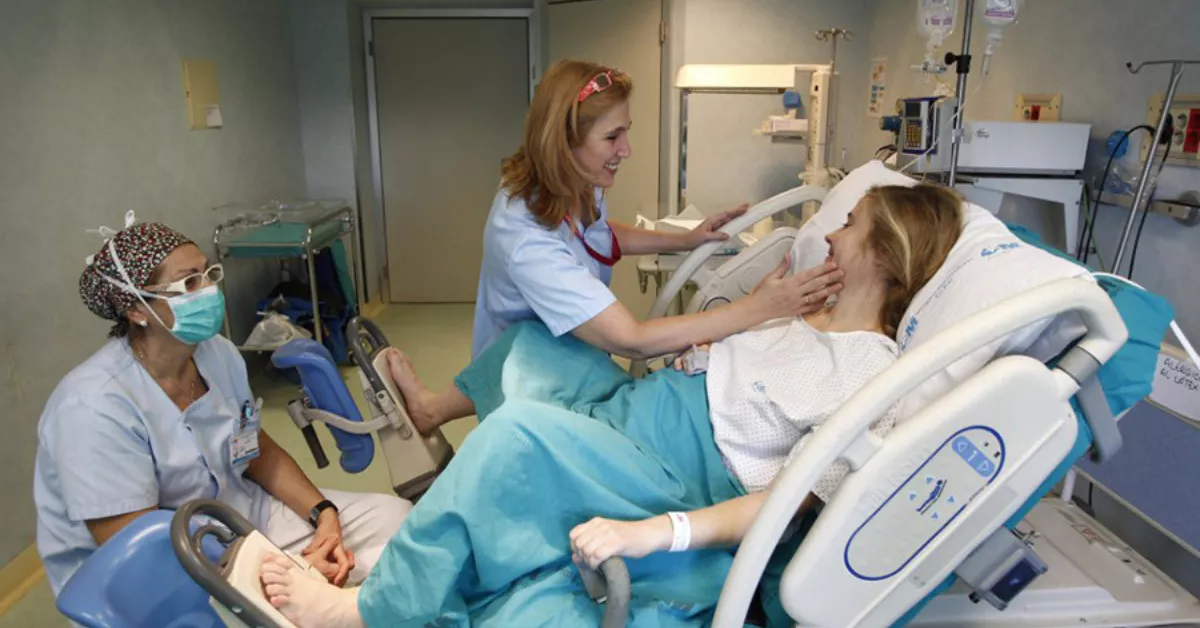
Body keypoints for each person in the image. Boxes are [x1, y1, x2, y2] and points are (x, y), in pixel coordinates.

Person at [258, 183, 965, 627]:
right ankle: (433, 413)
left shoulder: (873, 372)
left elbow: (790, 502)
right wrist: (755, 312)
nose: (832, 232)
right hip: (642, 406)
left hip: (674, 467)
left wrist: (665, 532)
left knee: (514, 438)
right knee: (539, 345)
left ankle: (372, 612)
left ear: (883, 253)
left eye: (851, 223)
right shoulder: (799, 316)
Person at [33, 219, 411, 596]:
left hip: (240, 518)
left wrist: (323, 514)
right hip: (161, 572)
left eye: (209, 273)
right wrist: (278, 570)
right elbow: (137, 548)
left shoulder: (218, 354)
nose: (211, 290)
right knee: (302, 602)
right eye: (189, 283)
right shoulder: (92, 408)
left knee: (397, 523)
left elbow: (255, 449)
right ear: (136, 309)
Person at [471, 59, 842, 363]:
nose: (627, 150)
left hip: (566, 357)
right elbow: (631, 339)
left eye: (626, 132)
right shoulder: (525, 236)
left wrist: (686, 240)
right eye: (612, 137)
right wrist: (758, 308)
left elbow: (597, 235)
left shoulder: (574, 180)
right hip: (523, 375)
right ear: (563, 141)